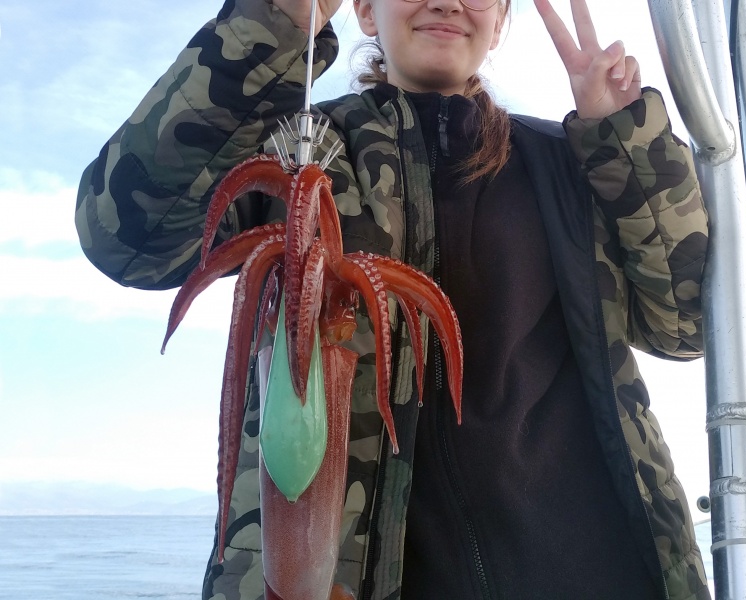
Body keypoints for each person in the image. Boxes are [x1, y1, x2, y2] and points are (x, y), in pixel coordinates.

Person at [75, 0, 711, 597]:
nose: (445, 1)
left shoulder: (572, 163)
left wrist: (627, 138)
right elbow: (129, 238)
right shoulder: (294, 156)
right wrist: (270, 28)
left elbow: (687, 323)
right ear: (362, 10)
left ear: (501, 19)